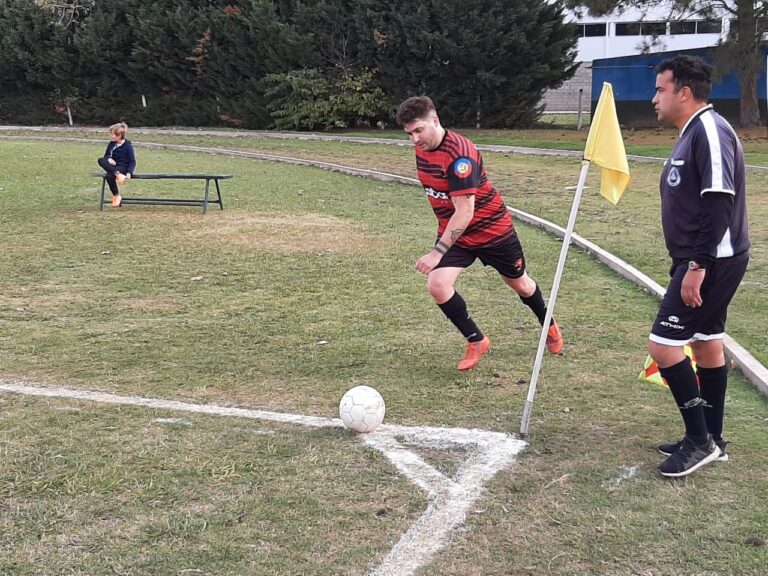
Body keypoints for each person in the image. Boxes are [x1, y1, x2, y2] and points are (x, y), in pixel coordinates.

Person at [395, 96, 563, 372]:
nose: (414, 139)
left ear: (435, 120)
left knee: (520, 285)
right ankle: (477, 340)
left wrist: (437, 253)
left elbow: (465, 211)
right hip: (457, 236)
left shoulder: (460, 155)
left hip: (493, 232)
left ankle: (549, 325)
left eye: (418, 130)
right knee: (437, 285)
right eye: (409, 133)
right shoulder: (422, 149)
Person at [649, 55, 750, 478]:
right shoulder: (692, 131)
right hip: (704, 259)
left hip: (712, 260)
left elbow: (719, 201)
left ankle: (699, 441)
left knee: (663, 346)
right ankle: (713, 436)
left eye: (661, 89)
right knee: (706, 342)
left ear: (684, 92)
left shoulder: (709, 130)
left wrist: (697, 265)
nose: (654, 99)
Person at [97, 122, 136, 207]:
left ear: (119, 135)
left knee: (109, 176)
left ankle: (116, 195)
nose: (111, 136)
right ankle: (117, 176)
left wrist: (129, 172)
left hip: (123, 167)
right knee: (100, 160)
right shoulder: (111, 144)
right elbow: (106, 156)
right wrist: (109, 158)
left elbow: (132, 161)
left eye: (112, 134)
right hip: (113, 167)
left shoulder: (128, 146)